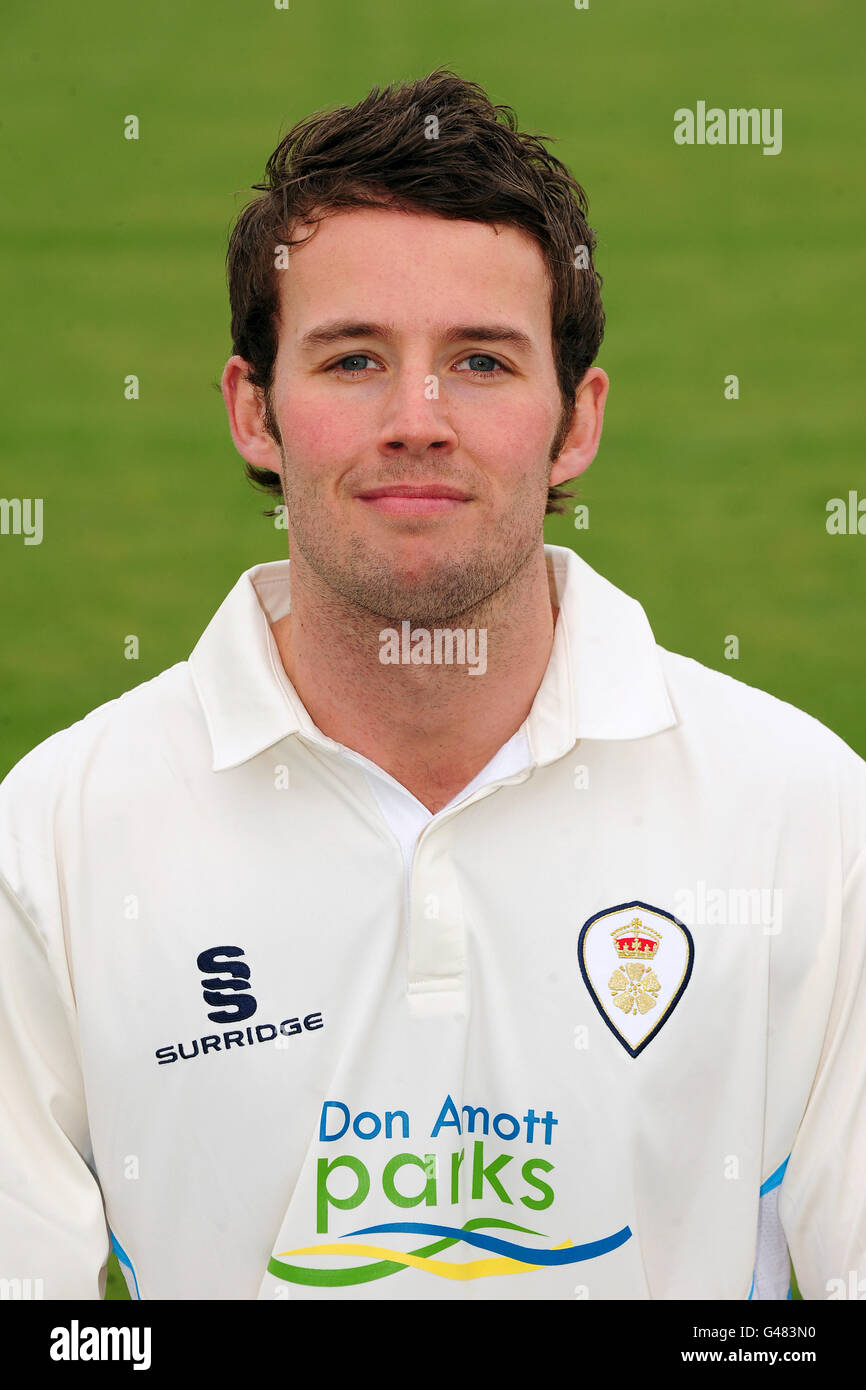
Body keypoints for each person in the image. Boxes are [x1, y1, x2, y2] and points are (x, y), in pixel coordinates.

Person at [1, 68, 864, 1302]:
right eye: (353, 360)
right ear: (255, 410)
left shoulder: (806, 815)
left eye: (478, 361)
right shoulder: (53, 836)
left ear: (575, 423)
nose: (416, 419)